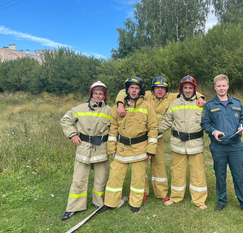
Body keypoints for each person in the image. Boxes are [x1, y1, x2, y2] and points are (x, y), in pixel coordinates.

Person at [114, 76, 205, 201]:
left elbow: (188, 90)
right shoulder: (145, 94)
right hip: (142, 138)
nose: (160, 91)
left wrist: (200, 97)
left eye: (163, 88)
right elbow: (123, 91)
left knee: (159, 165)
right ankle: (143, 192)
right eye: (157, 88)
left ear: (166, 90)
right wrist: (120, 103)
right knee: (141, 166)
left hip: (158, 137)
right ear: (153, 89)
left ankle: (161, 193)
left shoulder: (172, 97)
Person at [97, 76, 158, 214]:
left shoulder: (147, 106)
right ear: (127, 90)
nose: (134, 91)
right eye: (131, 88)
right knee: (115, 176)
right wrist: (111, 146)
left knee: (138, 178)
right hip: (122, 148)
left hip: (140, 148)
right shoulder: (117, 107)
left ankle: (135, 203)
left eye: (136, 88)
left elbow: (153, 128)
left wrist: (151, 149)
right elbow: (113, 128)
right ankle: (110, 202)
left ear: (140, 90)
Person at [201, 74, 243, 216]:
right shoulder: (210, 105)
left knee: (239, 175)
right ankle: (222, 200)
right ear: (215, 87)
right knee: (220, 174)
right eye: (218, 86)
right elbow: (205, 123)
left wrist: (242, 127)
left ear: (228, 86)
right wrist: (213, 131)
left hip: (235, 146)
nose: (221, 88)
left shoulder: (237, 103)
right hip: (218, 147)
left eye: (223, 85)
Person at [60, 81, 112, 221]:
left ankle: (99, 203)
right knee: (79, 179)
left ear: (105, 95)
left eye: (101, 94)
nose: (98, 96)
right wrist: (72, 134)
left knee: (101, 179)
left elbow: (116, 128)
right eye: (95, 93)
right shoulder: (80, 108)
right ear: (91, 94)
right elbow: (65, 120)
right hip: (83, 149)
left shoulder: (110, 111)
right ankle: (73, 207)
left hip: (101, 149)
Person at [158, 75, 208, 210]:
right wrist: (151, 132)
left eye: (190, 88)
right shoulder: (174, 104)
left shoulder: (200, 103)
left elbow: (209, 121)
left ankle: (199, 200)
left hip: (196, 144)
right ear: (181, 89)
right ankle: (175, 197)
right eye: (185, 87)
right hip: (178, 144)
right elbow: (166, 122)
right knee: (177, 172)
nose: (187, 90)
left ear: (194, 89)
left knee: (198, 172)